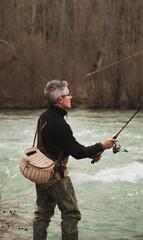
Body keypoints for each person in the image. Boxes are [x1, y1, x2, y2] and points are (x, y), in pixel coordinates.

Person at [33, 80, 117, 240]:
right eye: (68, 94)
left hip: (40, 173)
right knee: (71, 213)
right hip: (55, 175)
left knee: (42, 214)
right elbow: (77, 152)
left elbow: (61, 147)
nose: (71, 97)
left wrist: (93, 152)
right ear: (60, 99)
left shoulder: (43, 117)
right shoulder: (60, 124)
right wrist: (102, 145)